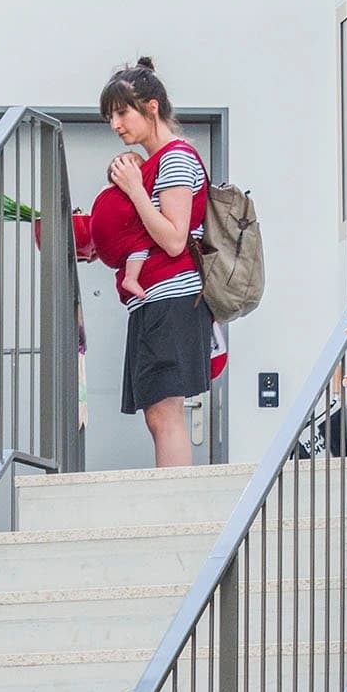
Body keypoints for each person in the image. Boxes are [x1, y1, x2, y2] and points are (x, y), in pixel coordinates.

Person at [93, 57, 214, 469]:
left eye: (122, 113)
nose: (116, 125)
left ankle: (175, 507)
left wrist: (133, 189)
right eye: (111, 116)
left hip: (173, 298)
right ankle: (172, 502)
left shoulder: (175, 158)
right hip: (157, 301)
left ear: (152, 107)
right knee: (157, 414)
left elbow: (175, 240)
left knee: (164, 414)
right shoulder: (155, 163)